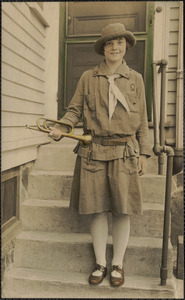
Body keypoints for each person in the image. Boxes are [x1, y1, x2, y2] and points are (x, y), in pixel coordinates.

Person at [48, 23, 151, 287]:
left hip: (126, 151)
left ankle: (117, 263)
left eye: (119, 42)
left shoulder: (136, 79)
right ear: (103, 49)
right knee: (97, 210)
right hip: (93, 151)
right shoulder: (87, 78)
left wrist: (144, 153)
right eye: (109, 43)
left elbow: (142, 120)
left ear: (126, 46)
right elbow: (74, 110)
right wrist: (61, 127)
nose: (114, 47)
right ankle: (100, 263)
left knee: (122, 210)